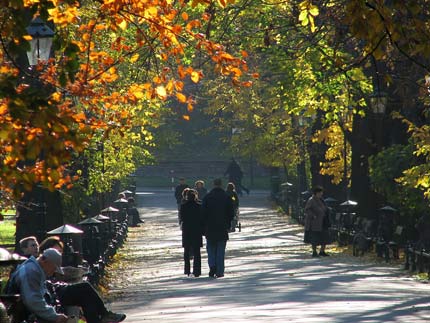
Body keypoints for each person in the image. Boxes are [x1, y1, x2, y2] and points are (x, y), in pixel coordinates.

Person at [9, 240, 126, 323]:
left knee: (84, 289)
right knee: (83, 290)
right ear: (45, 261)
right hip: (37, 305)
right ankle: (104, 315)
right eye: (54, 268)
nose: (54, 271)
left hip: (51, 292)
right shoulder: (31, 271)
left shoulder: (36, 268)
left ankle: (103, 315)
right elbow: (33, 301)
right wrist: (54, 316)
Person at [202, 178, 234, 278]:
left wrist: (204, 225)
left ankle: (212, 265)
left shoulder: (207, 197)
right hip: (222, 226)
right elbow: (231, 213)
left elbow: (203, 213)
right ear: (221, 184)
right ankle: (220, 271)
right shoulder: (226, 197)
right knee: (220, 250)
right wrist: (228, 223)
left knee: (211, 248)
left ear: (213, 184)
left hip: (210, 226)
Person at [179, 189, 204, 277]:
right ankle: (197, 271)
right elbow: (202, 218)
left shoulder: (183, 206)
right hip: (197, 229)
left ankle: (187, 270)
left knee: (186, 250)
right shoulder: (199, 206)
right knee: (197, 251)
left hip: (187, 229)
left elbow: (182, 218)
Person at [304, 186, 330, 257]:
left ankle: (322, 251)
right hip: (314, 223)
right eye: (320, 192)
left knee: (325, 236)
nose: (321, 194)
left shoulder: (321, 200)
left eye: (321, 192)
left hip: (323, 221)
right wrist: (313, 215)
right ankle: (314, 252)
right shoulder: (311, 200)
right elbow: (307, 210)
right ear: (316, 193)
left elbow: (324, 208)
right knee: (314, 238)